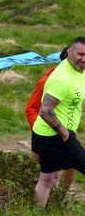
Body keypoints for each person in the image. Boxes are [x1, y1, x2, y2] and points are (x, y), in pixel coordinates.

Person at [31, 38, 85, 208]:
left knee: (48, 178)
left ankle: (36, 215)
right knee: (49, 178)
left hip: (46, 133)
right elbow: (45, 110)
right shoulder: (61, 79)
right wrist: (66, 134)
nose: (84, 59)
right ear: (70, 51)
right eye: (80, 54)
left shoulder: (78, 70)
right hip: (54, 136)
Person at [26, 49, 76, 189]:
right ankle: (31, 195)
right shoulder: (48, 81)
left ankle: (61, 196)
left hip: (67, 132)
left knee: (71, 164)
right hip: (45, 135)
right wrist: (40, 131)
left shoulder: (77, 79)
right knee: (41, 173)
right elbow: (31, 109)